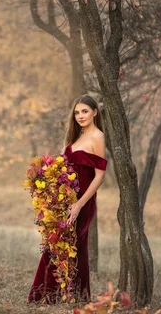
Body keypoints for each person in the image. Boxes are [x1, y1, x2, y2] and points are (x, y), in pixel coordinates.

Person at [28, 94, 108, 303]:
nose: (81, 116)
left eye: (85, 111)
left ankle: (45, 297)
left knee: (64, 247)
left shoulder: (97, 137)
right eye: (77, 112)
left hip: (82, 204)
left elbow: (99, 176)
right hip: (64, 203)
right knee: (58, 246)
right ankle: (72, 297)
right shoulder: (76, 137)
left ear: (95, 112)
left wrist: (79, 206)